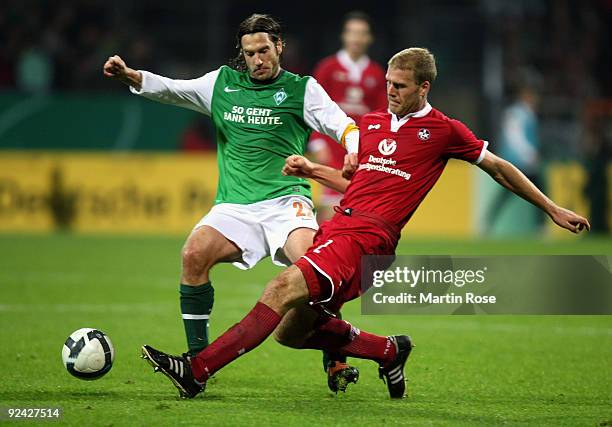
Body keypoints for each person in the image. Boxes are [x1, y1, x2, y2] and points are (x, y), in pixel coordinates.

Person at [141, 48, 590, 400]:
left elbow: (498, 167)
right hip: (340, 227)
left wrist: (551, 208)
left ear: (424, 87)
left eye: (400, 85)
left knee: (279, 290)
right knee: (291, 332)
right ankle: (389, 350)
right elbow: (357, 182)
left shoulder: (444, 130)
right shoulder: (371, 124)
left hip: (370, 238)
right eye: (389, 83)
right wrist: (313, 171)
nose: (390, 91)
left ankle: (195, 371)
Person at [103, 13, 360, 392]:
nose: (258, 59)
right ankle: (197, 361)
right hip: (234, 207)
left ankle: (335, 357)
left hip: (284, 202)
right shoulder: (222, 83)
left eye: (264, 50)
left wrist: (353, 149)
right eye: (250, 52)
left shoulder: (302, 89)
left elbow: (343, 125)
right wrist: (131, 76)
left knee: (315, 272)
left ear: (279, 47)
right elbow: (172, 89)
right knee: (193, 254)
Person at [308, 11, 387, 222]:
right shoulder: (328, 68)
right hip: (332, 144)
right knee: (330, 205)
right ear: (344, 36)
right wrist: (317, 143)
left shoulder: (377, 73)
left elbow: (381, 114)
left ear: (369, 38)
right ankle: (319, 250)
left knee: (360, 206)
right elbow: (313, 107)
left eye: (361, 33)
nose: (356, 38)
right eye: (352, 32)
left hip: (362, 148)